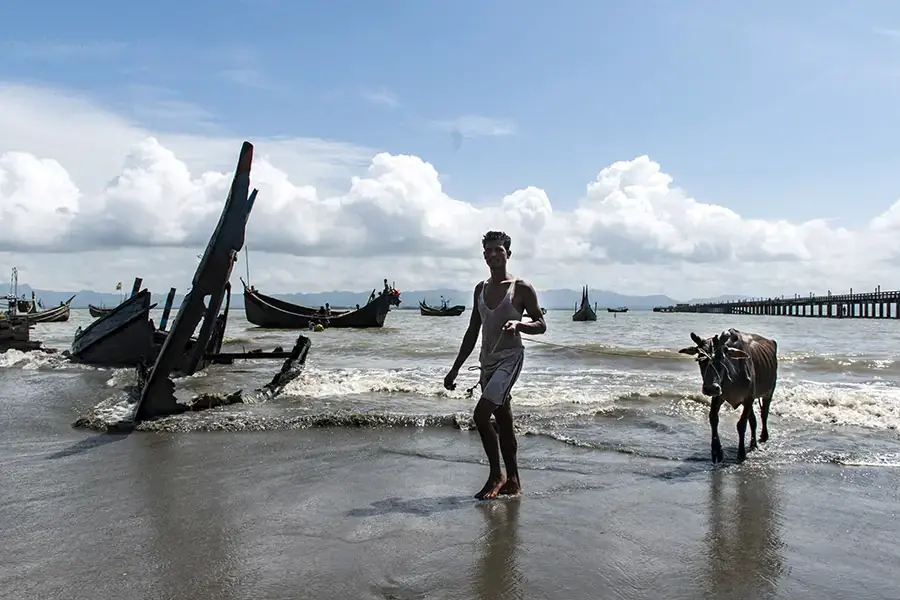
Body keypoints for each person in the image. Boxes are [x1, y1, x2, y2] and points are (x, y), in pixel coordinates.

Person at [444, 230, 546, 499]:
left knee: (480, 415)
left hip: (510, 360)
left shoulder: (521, 288)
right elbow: (471, 331)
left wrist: (520, 324)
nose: (492, 255)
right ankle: (514, 480)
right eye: (488, 251)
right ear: (484, 256)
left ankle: (495, 475)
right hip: (487, 363)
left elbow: (541, 324)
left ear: (508, 254)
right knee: (502, 418)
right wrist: (455, 368)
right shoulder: (480, 289)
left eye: (498, 250)